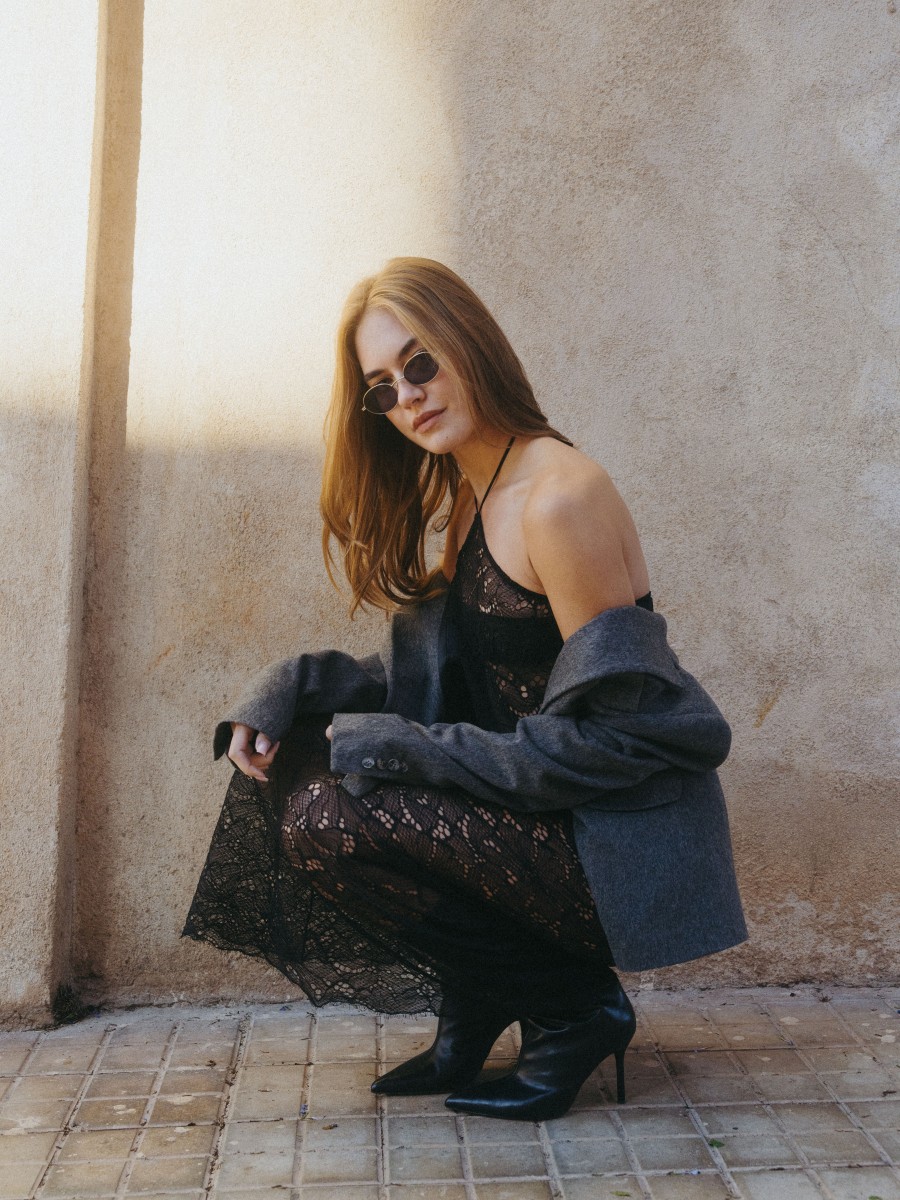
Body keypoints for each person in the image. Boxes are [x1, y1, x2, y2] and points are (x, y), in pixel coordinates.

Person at [184, 257, 746, 1122]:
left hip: (610, 842)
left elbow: (620, 740)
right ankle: (483, 996)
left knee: (333, 816)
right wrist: (288, 689)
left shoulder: (557, 501)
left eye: (420, 363)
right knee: (303, 766)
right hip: (539, 821)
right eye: (382, 388)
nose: (407, 397)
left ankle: (575, 1009)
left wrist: (405, 748)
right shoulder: (481, 492)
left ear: (468, 344)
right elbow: (442, 680)